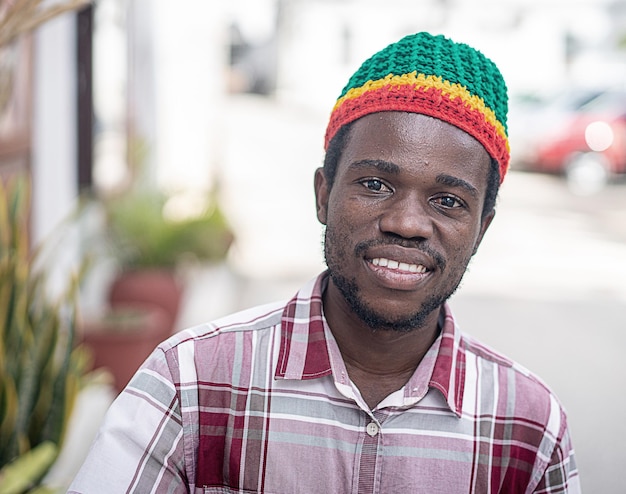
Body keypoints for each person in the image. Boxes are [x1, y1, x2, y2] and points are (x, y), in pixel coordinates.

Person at [69, 32, 580, 493]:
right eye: (375, 185)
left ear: (481, 228)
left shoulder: (529, 430)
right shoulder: (190, 385)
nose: (406, 223)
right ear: (323, 194)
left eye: (448, 201)